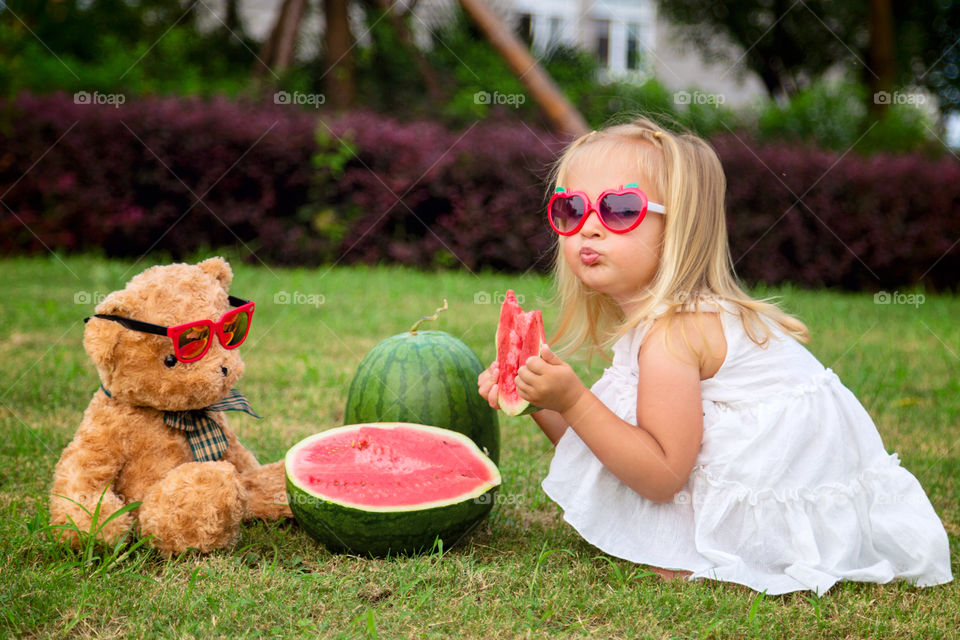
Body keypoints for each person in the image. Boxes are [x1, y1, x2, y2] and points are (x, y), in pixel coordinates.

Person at [476, 117, 953, 595]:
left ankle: (723, 546)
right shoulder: (660, 324)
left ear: (679, 226)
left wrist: (575, 401)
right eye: (571, 208)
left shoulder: (674, 335)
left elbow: (660, 475)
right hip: (717, 464)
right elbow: (613, 450)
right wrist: (544, 402)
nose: (590, 228)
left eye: (620, 209)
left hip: (782, 493)